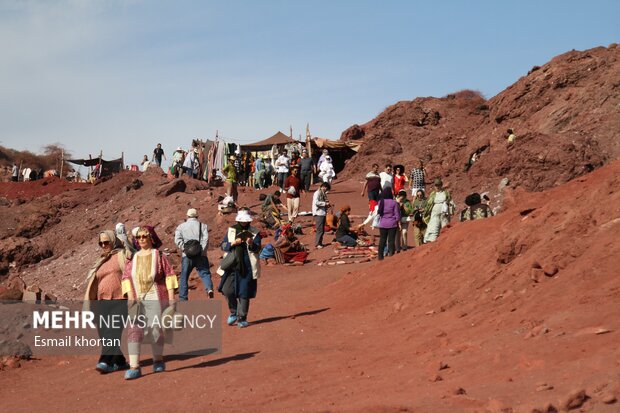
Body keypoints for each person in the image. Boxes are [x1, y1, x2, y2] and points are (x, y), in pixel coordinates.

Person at [121, 226, 177, 380]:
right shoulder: (133, 258)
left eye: (144, 236)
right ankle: (134, 367)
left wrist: (172, 300)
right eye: (138, 237)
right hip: (137, 300)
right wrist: (131, 296)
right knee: (134, 331)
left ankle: (158, 360)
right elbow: (126, 278)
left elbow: (170, 276)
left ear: (151, 238)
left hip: (156, 297)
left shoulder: (159, 256)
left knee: (155, 330)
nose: (141, 240)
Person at [84, 230, 132, 374]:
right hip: (102, 302)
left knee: (112, 331)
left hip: (121, 299)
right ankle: (120, 361)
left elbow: (133, 269)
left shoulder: (123, 255)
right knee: (103, 333)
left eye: (107, 242)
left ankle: (105, 361)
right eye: (101, 243)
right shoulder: (101, 261)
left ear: (113, 241)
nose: (104, 245)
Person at [218, 209, 262, 328]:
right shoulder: (231, 230)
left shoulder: (255, 232)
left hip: (247, 266)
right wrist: (233, 243)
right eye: (242, 221)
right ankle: (234, 312)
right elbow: (223, 245)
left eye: (245, 221)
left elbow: (258, 249)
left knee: (244, 292)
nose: (243, 223)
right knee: (227, 290)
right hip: (231, 265)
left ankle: (242, 317)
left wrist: (251, 243)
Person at [175, 208, 213, 300]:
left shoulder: (181, 226)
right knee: (205, 273)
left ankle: (183, 298)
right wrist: (202, 251)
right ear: (197, 216)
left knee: (184, 276)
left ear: (187, 216)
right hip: (200, 254)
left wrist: (184, 249)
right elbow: (206, 239)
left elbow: (177, 240)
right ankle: (209, 289)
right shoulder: (202, 226)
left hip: (187, 256)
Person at [423, 178, 452, 243]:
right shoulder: (433, 194)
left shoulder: (446, 193)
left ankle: (446, 241)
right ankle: (431, 241)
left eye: (438, 185)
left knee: (445, 225)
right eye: (436, 185)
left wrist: (447, 203)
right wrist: (426, 211)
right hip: (435, 212)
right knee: (433, 225)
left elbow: (450, 201)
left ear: (441, 185)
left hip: (444, 212)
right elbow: (429, 204)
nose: (437, 187)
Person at [377, 187, 401, 260]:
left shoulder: (380, 202)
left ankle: (380, 256)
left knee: (382, 240)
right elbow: (397, 214)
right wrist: (399, 223)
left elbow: (379, 212)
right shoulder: (394, 202)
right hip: (392, 224)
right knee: (391, 240)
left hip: (383, 224)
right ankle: (391, 255)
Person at [312, 182, 331, 249]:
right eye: (327, 189)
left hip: (322, 213)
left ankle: (320, 242)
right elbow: (316, 202)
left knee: (322, 229)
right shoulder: (317, 193)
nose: (326, 191)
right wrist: (325, 204)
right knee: (319, 229)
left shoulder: (323, 194)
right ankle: (317, 243)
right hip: (318, 213)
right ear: (324, 187)